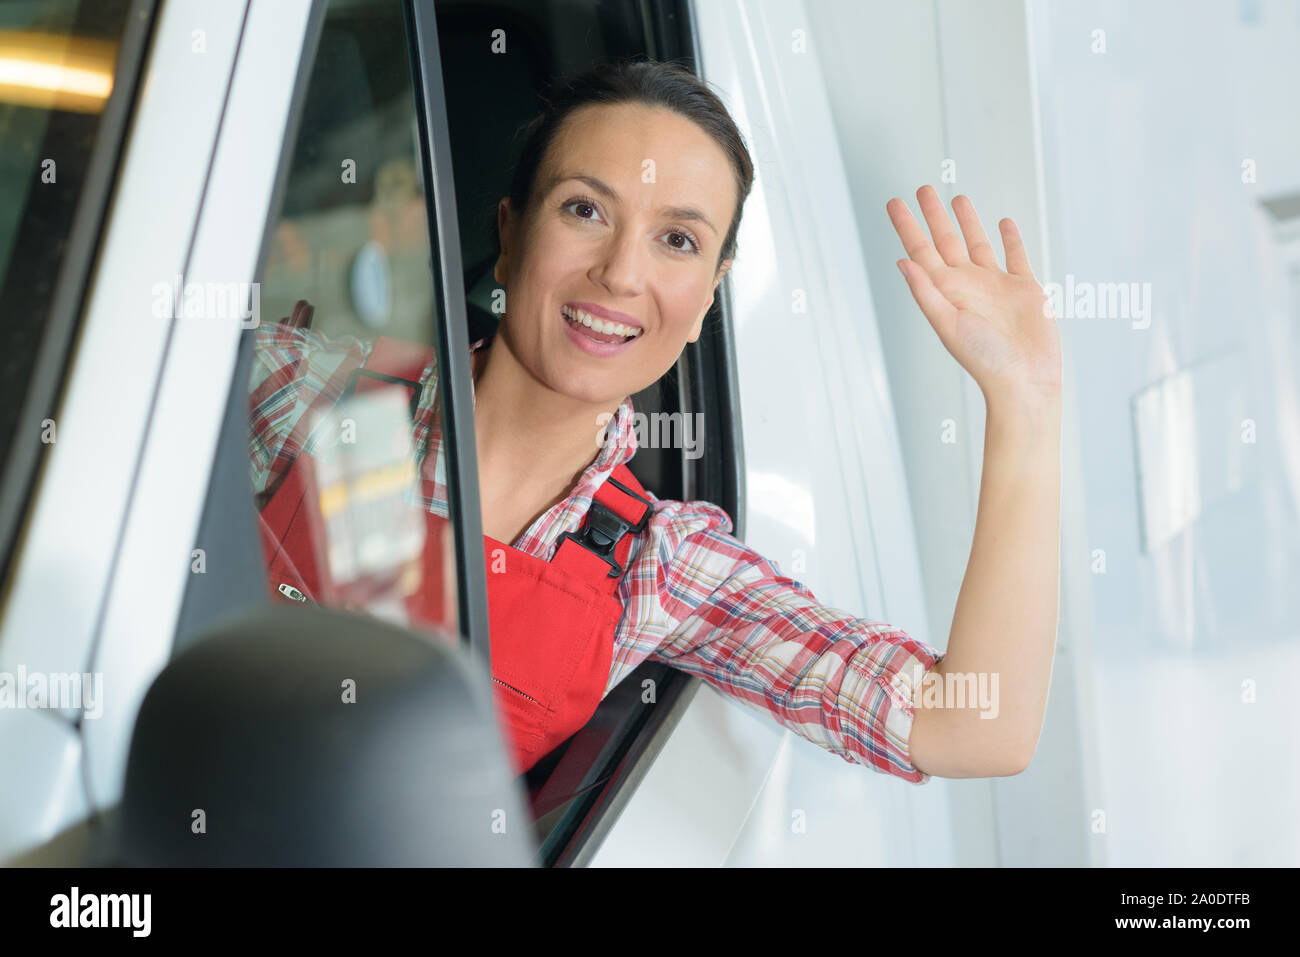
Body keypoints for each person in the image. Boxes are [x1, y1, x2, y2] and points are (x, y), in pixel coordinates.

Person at [249, 59, 1062, 784]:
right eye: (584, 210)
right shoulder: (301, 389)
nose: (621, 273)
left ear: (709, 294)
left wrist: (1023, 404)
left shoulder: (659, 570)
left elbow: (975, 726)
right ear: (508, 234)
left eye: (677, 239)